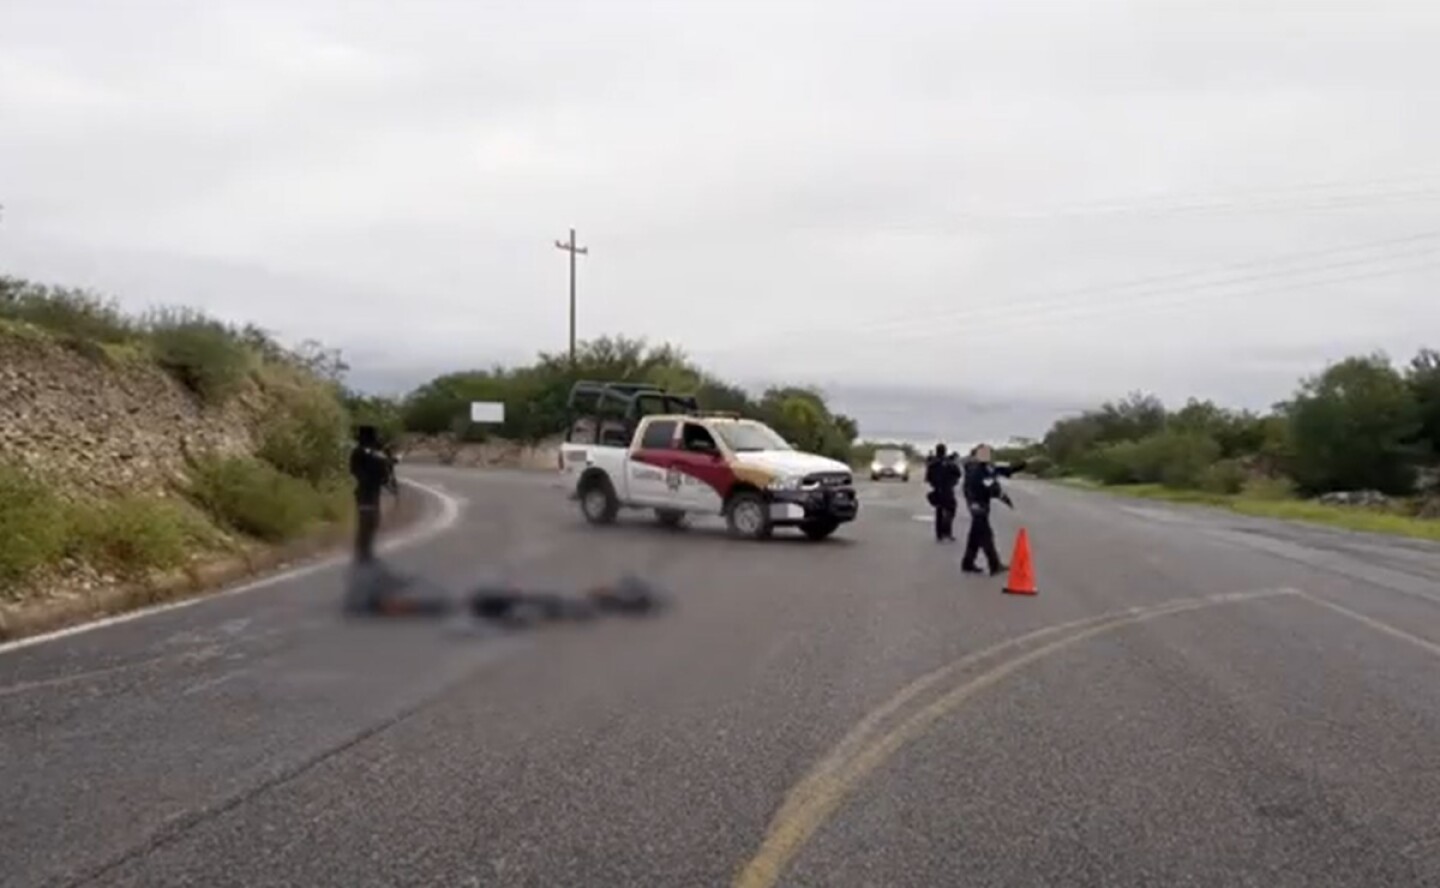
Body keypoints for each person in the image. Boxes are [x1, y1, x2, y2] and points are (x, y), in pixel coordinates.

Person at [960, 444, 1024, 575]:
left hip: (981, 504)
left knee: (975, 536)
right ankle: (994, 565)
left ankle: (967, 563)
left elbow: (1005, 471)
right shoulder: (975, 470)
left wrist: (1023, 464)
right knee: (986, 535)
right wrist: (1000, 495)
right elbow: (985, 487)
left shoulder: (987, 468)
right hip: (977, 505)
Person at [349, 424, 395, 564]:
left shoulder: (361, 451)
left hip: (368, 491)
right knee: (368, 520)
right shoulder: (364, 452)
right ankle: (363, 551)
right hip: (366, 491)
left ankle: (364, 550)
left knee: (370, 520)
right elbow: (378, 464)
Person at [924, 442, 963, 542]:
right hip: (948, 490)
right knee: (951, 510)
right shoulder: (949, 463)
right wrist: (952, 482)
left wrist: (934, 483)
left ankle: (939, 534)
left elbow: (927, 478)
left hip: (937, 490)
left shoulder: (932, 464)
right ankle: (947, 531)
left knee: (939, 511)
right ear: (945, 451)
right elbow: (958, 474)